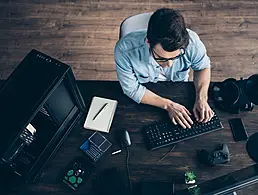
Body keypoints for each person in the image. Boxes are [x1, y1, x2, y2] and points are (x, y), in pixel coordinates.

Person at [114, 8, 214, 129]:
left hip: (178, 88)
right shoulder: (125, 49)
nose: (169, 65)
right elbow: (132, 89)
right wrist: (168, 105)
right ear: (148, 42)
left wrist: (202, 98)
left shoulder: (192, 43)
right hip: (146, 93)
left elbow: (202, 67)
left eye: (176, 57)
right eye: (162, 58)